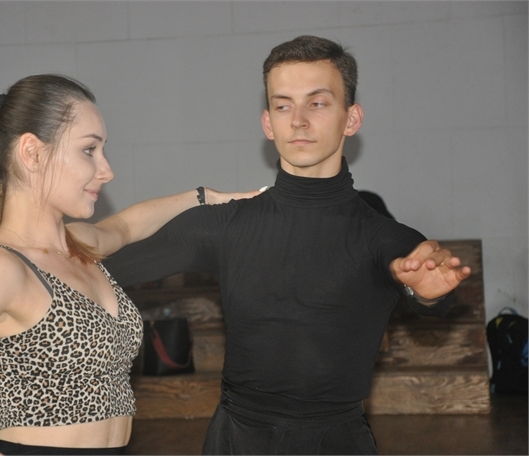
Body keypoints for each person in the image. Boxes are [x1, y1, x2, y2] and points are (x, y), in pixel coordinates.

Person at [103, 35, 472, 455]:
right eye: (283, 106)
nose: (298, 120)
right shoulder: (228, 225)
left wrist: (426, 293)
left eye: (317, 103)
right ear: (267, 123)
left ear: (351, 119)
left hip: (337, 443)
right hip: (235, 441)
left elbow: (429, 292)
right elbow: (103, 267)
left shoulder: (383, 237)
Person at [0, 74, 258, 455]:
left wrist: (206, 197)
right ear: (32, 153)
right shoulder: (3, 270)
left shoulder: (79, 245)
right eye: (89, 150)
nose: (106, 170)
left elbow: (127, 225)